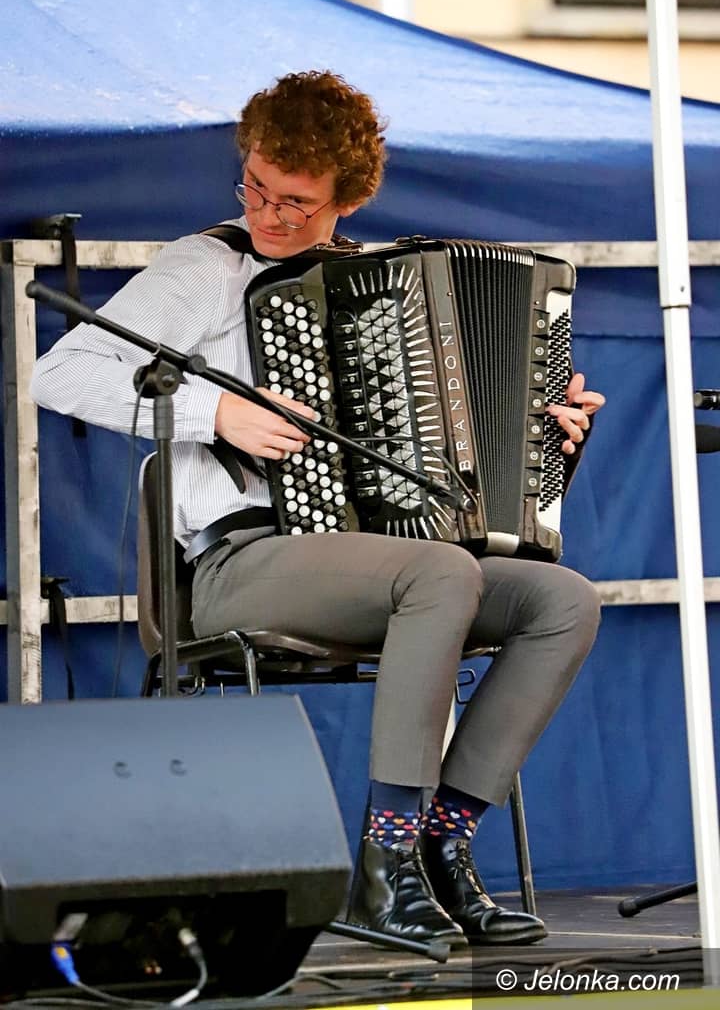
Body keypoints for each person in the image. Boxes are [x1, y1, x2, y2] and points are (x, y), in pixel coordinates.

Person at [31, 70, 604, 950]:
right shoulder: (209, 268)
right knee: (440, 572)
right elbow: (60, 373)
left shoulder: (372, 282)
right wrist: (218, 412)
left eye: (296, 202)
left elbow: (453, 470)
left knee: (562, 600)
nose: (269, 215)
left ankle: (443, 846)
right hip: (237, 564)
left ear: (349, 200)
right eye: (256, 188)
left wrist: (542, 434)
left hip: (380, 564)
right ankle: (385, 867)